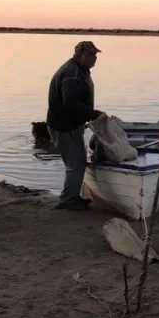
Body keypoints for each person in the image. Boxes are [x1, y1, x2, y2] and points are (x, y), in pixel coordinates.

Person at [46, 41, 105, 210]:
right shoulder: (72, 75)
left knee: (77, 161)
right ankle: (68, 200)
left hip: (69, 124)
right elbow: (71, 105)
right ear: (82, 55)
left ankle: (72, 197)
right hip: (64, 126)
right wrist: (94, 115)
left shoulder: (80, 70)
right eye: (92, 55)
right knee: (76, 164)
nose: (95, 59)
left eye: (96, 55)